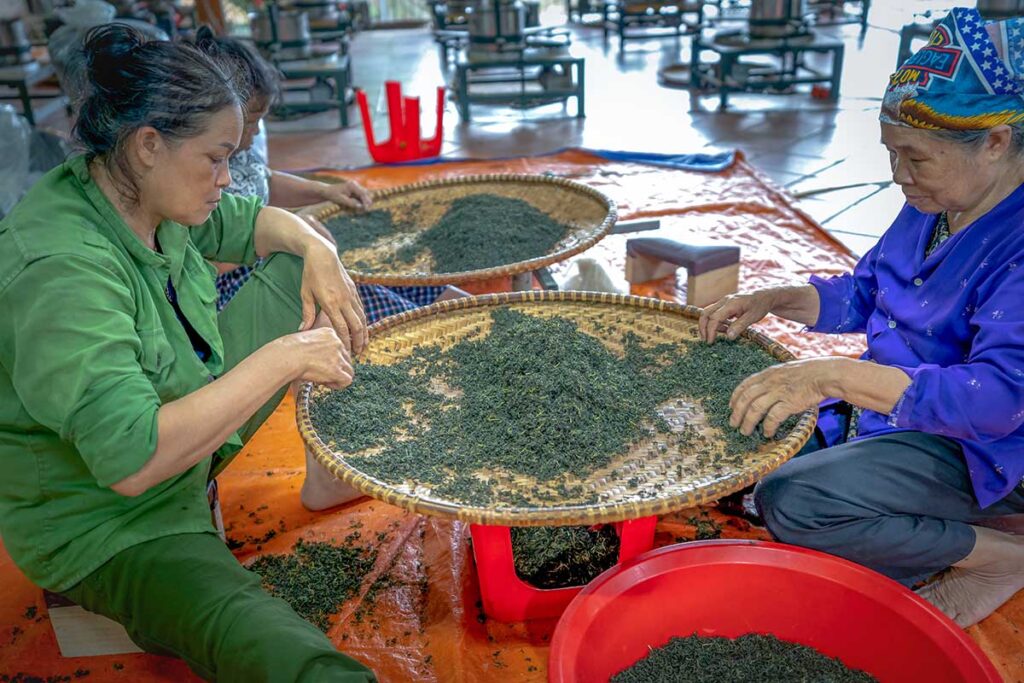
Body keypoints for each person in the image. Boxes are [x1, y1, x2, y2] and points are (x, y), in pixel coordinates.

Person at [0, 25, 375, 681]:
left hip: (186, 439)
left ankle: (321, 475)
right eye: (216, 158)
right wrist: (286, 357)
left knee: (297, 271)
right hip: (112, 518)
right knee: (273, 645)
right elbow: (131, 461)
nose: (228, 177)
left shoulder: (137, 188)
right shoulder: (61, 267)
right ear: (148, 144)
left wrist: (321, 251)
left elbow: (260, 222)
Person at [700, 6, 1024, 629]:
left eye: (917, 159)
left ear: (995, 143)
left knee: (792, 500)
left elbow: (996, 403)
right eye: (892, 154)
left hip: (987, 448)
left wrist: (832, 378)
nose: (898, 176)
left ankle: (1002, 556)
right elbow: (869, 292)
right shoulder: (937, 202)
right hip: (897, 410)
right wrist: (778, 298)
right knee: (741, 447)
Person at [190, 28, 466, 318]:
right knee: (357, 293)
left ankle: (471, 311)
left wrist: (326, 191)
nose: (257, 131)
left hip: (277, 257)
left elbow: (265, 180)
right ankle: (435, 325)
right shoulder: (198, 183)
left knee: (394, 275)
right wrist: (287, 234)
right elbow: (209, 256)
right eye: (252, 122)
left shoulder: (240, 154)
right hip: (245, 288)